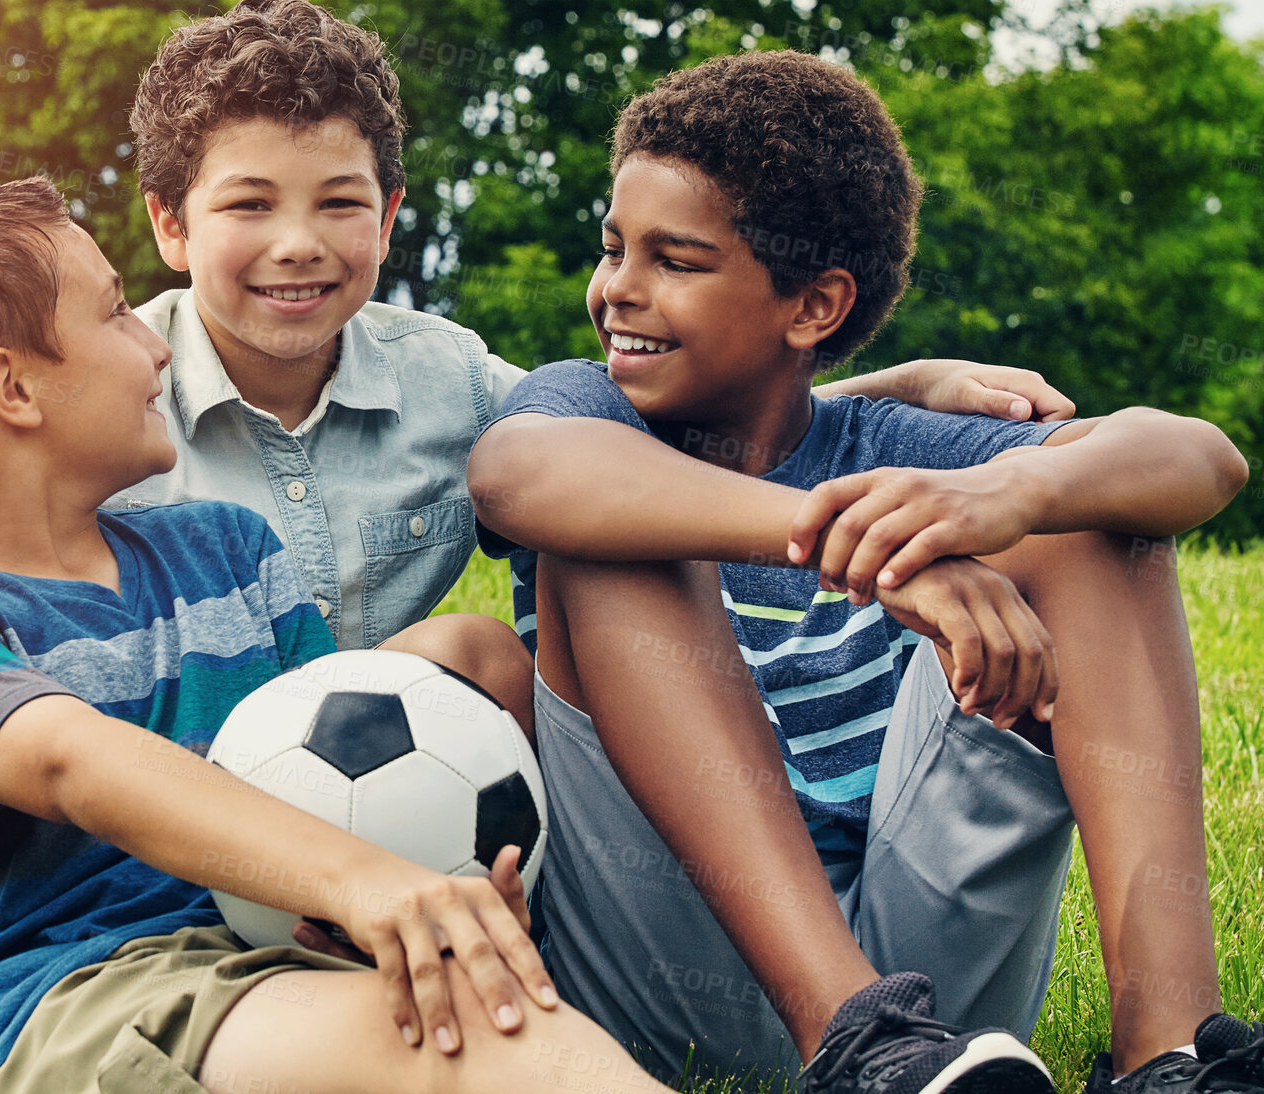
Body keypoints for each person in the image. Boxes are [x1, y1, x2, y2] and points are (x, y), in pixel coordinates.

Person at [0, 4, 1079, 1088]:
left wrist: (864, 391)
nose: (293, 246)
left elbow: (623, 443)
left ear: (387, 215)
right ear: (168, 228)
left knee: (480, 646)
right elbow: (50, 714)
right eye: (245, 207)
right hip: (89, 934)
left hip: (285, 827)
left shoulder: (347, 445)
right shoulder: (64, 448)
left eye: (337, 205)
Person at [466, 50, 1264, 1094]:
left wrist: (1012, 500)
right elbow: (517, 472)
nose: (619, 288)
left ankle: (1171, 1048)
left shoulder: (892, 444)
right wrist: (870, 554)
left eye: (676, 260)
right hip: (660, 971)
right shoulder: (589, 409)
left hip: (929, 995)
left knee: (1097, 521)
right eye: (615, 247)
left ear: (813, 308)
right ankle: (851, 1033)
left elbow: (1203, 458)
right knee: (615, 537)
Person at [0, 172, 672, 1094]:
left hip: (280, 962)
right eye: (115, 317)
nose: (157, 348)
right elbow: (74, 763)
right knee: (477, 1038)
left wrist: (414, 870)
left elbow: (322, 782)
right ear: (11, 386)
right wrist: (365, 881)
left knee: (482, 1009)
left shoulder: (226, 551)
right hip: (74, 1001)